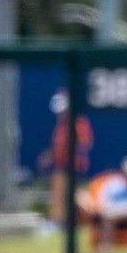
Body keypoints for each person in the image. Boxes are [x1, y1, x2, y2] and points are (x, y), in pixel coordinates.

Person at [37, 88, 94, 228]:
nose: (60, 114)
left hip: (73, 166)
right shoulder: (61, 125)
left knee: (71, 195)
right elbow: (57, 146)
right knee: (60, 194)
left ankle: (90, 215)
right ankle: (58, 221)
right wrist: (49, 156)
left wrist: (72, 151)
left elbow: (85, 143)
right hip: (61, 165)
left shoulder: (78, 122)